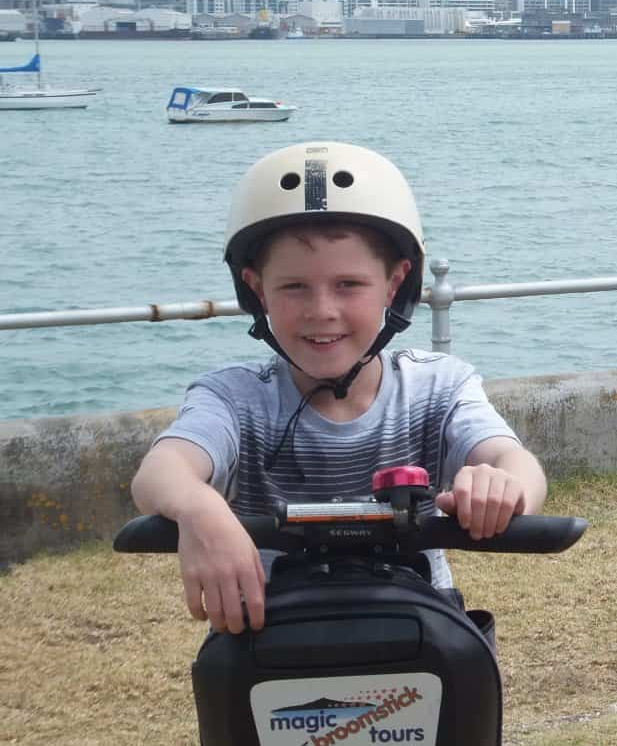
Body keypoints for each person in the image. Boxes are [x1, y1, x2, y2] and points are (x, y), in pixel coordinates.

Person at [131, 141, 547, 635]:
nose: (322, 310)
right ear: (257, 290)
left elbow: (513, 461)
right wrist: (197, 506)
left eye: (348, 284)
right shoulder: (233, 398)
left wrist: (502, 484)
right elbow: (161, 470)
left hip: (412, 634)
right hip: (274, 640)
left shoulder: (438, 387)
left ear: (394, 285)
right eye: (294, 287)